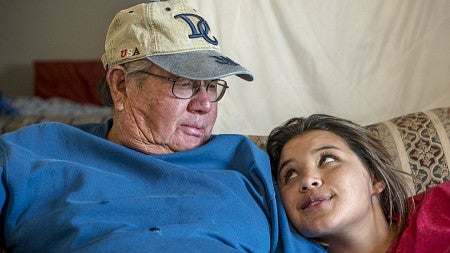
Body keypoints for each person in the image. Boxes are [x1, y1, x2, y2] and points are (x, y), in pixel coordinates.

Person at [0, 1, 325, 252]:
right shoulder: (29, 153)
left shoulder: (248, 161)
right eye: (185, 84)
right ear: (121, 86)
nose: (205, 105)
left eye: (212, 86)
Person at [266, 114, 450, 253]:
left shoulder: (442, 206)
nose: (307, 180)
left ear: (375, 178)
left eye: (327, 160)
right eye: (290, 174)